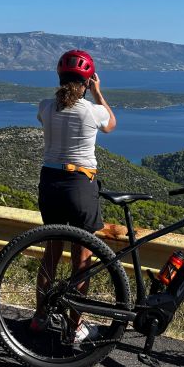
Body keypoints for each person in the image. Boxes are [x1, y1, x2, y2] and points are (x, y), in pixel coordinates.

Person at [32, 49, 116, 344]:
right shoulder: (91, 110)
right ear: (87, 80)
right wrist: (98, 92)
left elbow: (50, 118)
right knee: (82, 259)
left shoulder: (45, 106)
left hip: (49, 182)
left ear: (59, 76)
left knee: (51, 253)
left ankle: (40, 317)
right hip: (79, 185)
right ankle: (74, 327)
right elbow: (111, 125)